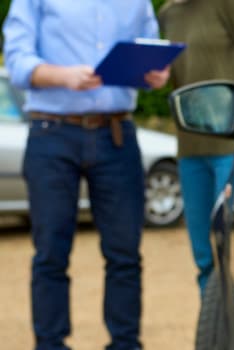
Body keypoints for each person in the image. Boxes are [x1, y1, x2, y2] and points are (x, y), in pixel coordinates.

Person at [2, 1, 169, 349]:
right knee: (50, 253)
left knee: (125, 254)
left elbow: (150, 51)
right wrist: (63, 75)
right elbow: (16, 61)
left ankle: (125, 344)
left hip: (117, 134)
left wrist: (157, 75)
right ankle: (50, 344)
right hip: (52, 134)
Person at [157, 0, 234, 296]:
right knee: (204, 255)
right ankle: (216, 332)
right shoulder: (168, 14)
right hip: (190, 148)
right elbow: (179, 83)